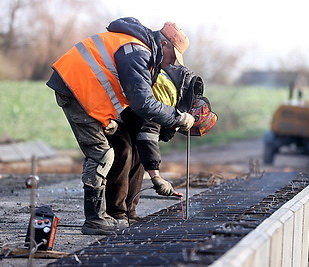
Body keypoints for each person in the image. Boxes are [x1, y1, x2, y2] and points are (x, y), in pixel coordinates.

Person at [46, 17, 195, 235]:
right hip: (76, 88)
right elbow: (143, 102)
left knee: (116, 149)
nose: (172, 63)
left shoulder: (140, 51)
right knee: (102, 155)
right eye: (174, 56)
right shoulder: (137, 51)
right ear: (164, 44)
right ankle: (95, 220)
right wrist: (177, 117)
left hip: (87, 93)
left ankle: (110, 215)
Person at [105, 64, 205, 226]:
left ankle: (129, 212)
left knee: (138, 155)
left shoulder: (176, 92)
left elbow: (159, 130)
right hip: (114, 113)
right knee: (124, 152)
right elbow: (149, 132)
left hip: (132, 116)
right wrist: (156, 177)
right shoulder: (165, 92)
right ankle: (115, 213)